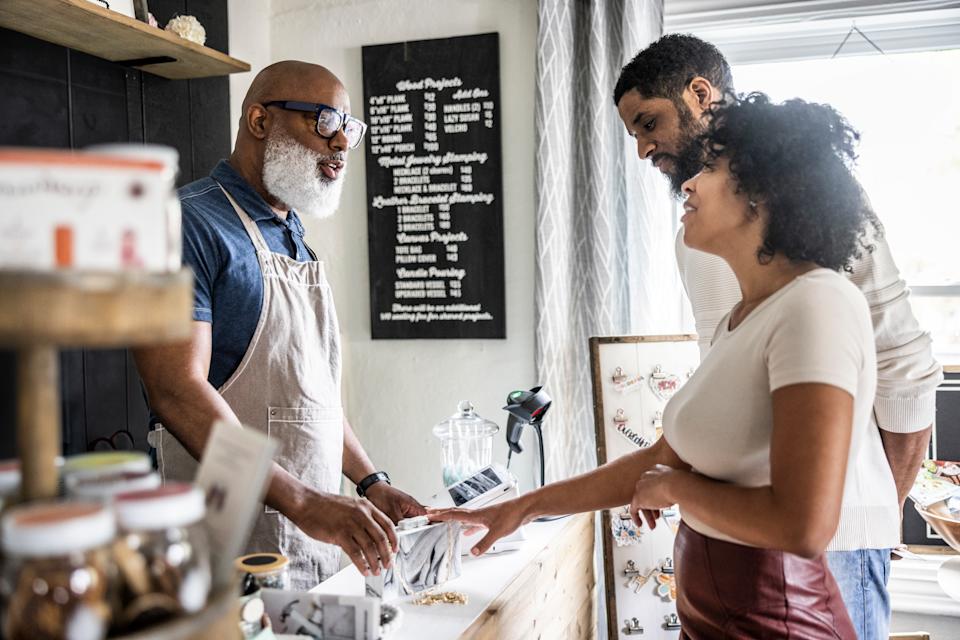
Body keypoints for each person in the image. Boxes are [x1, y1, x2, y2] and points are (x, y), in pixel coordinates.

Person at [436, 92, 881, 637]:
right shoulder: (742, 320)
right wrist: (522, 508)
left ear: (764, 192)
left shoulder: (818, 303)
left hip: (779, 621)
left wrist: (673, 490)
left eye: (712, 167)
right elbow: (662, 460)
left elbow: (803, 525)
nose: (690, 183)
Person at [610, 35, 941, 638]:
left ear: (700, 94)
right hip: (735, 548)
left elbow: (904, 363)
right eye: (633, 133)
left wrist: (870, 515)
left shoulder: (809, 200)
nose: (642, 149)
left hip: (830, 545)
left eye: (648, 122)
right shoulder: (698, 230)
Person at [133, 61, 424, 590]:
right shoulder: (184, 223)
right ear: (260, 121)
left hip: (314, 539)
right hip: (224, 542)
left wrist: (370, 482)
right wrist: (302, 499)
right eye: (325, 121)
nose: (340, 143)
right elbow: (175, 388)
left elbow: (310, 401)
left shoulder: (296, 239)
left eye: (348, 129)